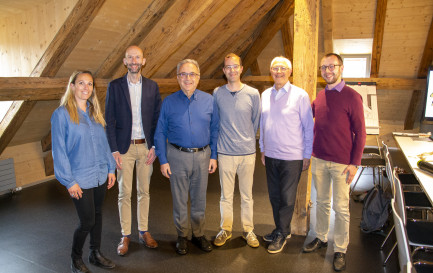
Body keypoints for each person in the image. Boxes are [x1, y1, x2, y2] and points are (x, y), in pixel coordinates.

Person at [302, 53, 366, 272]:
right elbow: (304, 117)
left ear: (341, 68)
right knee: (321, 202)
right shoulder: (320, 96)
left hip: (342, 163)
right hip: (319, 158)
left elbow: (361, 133)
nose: (327, 71)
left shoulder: (352, 97)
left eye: (332, 66)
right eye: (323, 67)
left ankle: (340, 248)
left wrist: (354, 163)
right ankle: (320, 236)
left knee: (341, 208)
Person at [51, 70, 116, 273]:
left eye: (89, 84)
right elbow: (59, 150)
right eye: (81, 83)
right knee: (87, 220)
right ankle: (76, 258)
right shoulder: (61, 115)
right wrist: (69, 181)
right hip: (79, 177)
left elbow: (104, 143)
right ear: (72, 86)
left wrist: (111, 168)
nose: (86, 88)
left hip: (99, 174)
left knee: (97, 215)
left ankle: (95, 253)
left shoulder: (94, 112)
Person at [154, 59, 219, 255]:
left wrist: (214, 156)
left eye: (192, 74)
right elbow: (160, 132)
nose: (187, 78)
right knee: (180, 199)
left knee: (199, 198)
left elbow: (215, 129)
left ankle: (198, 234)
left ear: (198, 78)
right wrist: (163, 160)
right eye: (183, 74)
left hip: (203, 156)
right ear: (177, 78)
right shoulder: (169, 102)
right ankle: (182, 235)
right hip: (176, 156)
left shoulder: (209, 100)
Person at [105, 45, 162, 256]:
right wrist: (114, 151)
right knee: (124, 193)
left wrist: (155, 146)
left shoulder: (152, 87)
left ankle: (144, 231)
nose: (134, 61)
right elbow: (109, 121)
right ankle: (125, 234)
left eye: (137, 57)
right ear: (125, 61)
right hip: (124, 149)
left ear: (143, 61)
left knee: (144, 191)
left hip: (146, 147)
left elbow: (157, 119)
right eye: (130, 57)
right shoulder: (115, 86)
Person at [259, 56, 314, 254]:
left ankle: (282, 233)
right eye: (275, 68)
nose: (279, 71)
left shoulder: (300, 95)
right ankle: (280, 229)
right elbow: (263, 124)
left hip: (292, 157)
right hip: (271, 155)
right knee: (274, 196)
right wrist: (263, 148)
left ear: (289, 72)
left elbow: (309, 127)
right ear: (271, 71)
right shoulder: (265, 94)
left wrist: (306, 154)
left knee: (287, 198)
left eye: (283, 68)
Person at [212, 53, 261, 248]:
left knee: (247, 195)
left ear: (241, 69)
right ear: (224, 71)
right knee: (226, 195)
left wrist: (248, 141)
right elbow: (215, 122)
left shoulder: (253, 94)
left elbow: (255, 121)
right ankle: (226, 228)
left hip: (247, 153)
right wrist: (215, 153)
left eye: (235, 66)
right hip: (225, 153)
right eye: (228, 67)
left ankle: (248, 230)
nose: (232, 70)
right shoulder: (217, 93)